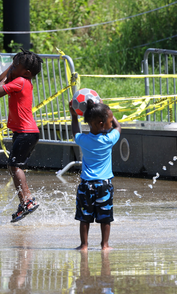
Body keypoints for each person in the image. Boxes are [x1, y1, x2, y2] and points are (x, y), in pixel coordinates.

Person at [0, 48, 43, 223]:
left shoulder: (20, 81)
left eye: (16, 65)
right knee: (15, 166)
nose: (13, 68)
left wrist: (11, 73)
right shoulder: (23, 79)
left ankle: (27, 200)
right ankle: (25, 201)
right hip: (25, 132)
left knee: (15, 166)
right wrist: (12, 68)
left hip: (25, 132)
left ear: (27, 72)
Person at [69, 99, 122, 251]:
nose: (112, 124)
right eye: (109, 121)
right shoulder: (108, 139)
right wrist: (106, 107)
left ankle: (84, 245)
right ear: (101, 124)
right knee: (105, 218)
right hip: (104, 185)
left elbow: (75, 132)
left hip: (86, 184)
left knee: (84, 217)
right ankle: (104, 245)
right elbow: (119, 127)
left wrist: (74, 116)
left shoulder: (83, 140)